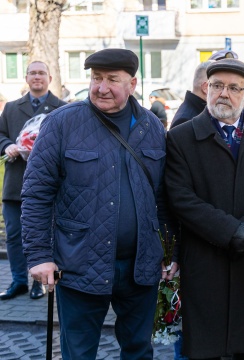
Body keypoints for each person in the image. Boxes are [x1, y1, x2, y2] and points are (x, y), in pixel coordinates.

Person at [21, 49, 175, 359]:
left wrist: (170, 252)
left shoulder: (153, 128)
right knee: (79, 353)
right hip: (79, 265)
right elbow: (37, 193)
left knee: (139, 351)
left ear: (132, 83)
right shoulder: (62, 123)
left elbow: (164, 198)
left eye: (112, 80)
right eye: (96, 78)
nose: (101, 88)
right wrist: (38, 255)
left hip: (140, 268)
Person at [164, 59, 244, 359]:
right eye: (217, 85)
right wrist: (230, 230)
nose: (225, 93)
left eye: (234, 88)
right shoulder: (181, 137)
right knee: (204, 348)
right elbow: (181, 197)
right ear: (206, 89)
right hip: (204, 261)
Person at [0, 61, 66, 301]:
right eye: (32, 73)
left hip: (49, 188)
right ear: (26, 78)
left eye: (41, 73)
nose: (37, 77)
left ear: (49, 77)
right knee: (15, 236)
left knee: (46, 236)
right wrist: (7, 145)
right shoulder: (11, 109)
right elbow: (0, 134)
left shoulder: (62, 108)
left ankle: (40, 282)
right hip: (16, 185)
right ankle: (18, 281)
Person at [170, 61, 213, 129]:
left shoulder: (198, 112)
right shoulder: (186, 120)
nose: (223, 93)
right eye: (217, 86)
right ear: (206, 87)